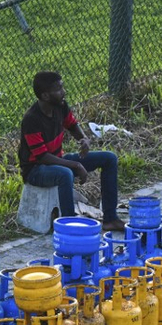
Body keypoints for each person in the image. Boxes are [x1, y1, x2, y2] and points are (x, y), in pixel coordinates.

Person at [18, 71, 126, 232]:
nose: (64, 92)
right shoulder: (31, 120)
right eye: (59, 89)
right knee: (65, 174)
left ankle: (110, 219)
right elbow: (42, 157)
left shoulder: (60, 106)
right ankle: (70, 228)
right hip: (35, 170)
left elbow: (72, 126)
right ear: (45, 96)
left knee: (109, 158)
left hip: (56, 160)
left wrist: (84, 139)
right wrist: (75, 165)